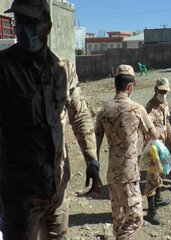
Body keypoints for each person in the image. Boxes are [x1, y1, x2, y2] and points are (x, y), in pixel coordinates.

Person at [0, 0, 101, 238]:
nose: (23, 29)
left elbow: (81, 116)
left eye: (31, 22)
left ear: (48, 25)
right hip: (20, 193)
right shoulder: (3, 68)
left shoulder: (62, 70)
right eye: (19, 21)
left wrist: (92, 160)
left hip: (57, 187)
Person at [95, 65, 160, 239]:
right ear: (130, 87)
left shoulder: (104, 110)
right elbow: (154, 134)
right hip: (129, 175)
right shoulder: (137, 109)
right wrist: (155, 124)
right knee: (136, 219)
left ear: (115, 84)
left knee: (119, 219)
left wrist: (94, 170)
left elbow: (96, 143)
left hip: (112, 174)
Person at [143, 77, 171, 225]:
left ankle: (158, 198)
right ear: (155, 90)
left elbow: (167, 123)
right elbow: (145, 126)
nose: (163, 94)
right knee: (152, 178)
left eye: (166, 91)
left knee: (162, 172)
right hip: (153, 148)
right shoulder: (150, 107)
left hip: (162, 145)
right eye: (161, 91)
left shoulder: (165, 104)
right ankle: (151, 211)